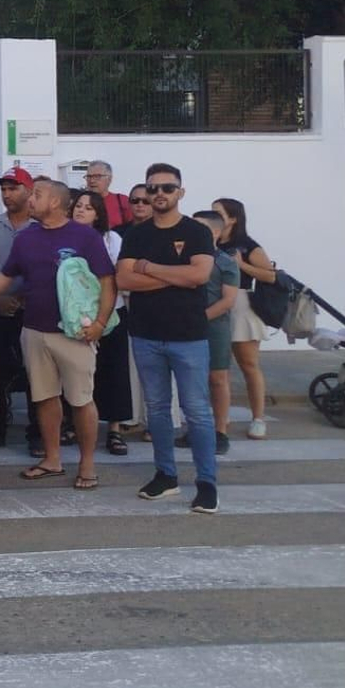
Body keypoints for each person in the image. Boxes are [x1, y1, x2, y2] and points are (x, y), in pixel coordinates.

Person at [0, 178, 114, 490]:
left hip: (75, 333)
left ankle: (87, 464)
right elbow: (4, 278)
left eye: (38, 195)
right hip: (33, 329)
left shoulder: (85, 237)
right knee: (44, 397)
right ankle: (52, 459)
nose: (31, 199)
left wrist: (99, 323)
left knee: (81, 400)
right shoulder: (26, 239)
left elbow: (108, 281)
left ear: (56, 202)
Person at [116, 164, 219, 514]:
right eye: (153, 188)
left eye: (167, 188)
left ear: (180, 192)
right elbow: (125, 281)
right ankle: (166, 475)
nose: (159, 194)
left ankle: (207, 483)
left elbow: (200, 275)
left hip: (188, 336)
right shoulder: (136, 234)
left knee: (197, 412)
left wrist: (150, 268)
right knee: (157, 410)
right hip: (146, 334)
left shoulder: (197, 232)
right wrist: (177, 276)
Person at [0, 166, 35, 451]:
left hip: (33, 309)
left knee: (36, 372)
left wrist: (25, 297)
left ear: (29, 191)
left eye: (13, 188)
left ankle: (36, 435)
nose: (7, 194)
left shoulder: (39, 226)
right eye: (4, 189)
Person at [72, 189, 132, 454]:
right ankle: (77, 426)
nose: (81, 210)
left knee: (113, 371)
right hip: (75, 316)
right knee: (80, 374)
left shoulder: (112, 238)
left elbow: (116, 274)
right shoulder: (65, 237)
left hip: (110, 314)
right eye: (78, 205)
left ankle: (115, 429)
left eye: (88, 207)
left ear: (99, 214)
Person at [212, 197, 274, 439]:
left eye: (220, 213)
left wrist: (242, 265)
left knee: (248, 365)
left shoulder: (248, 246)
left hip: (241, 305)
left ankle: (258, 417)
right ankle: (221, 415)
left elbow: (270, 276)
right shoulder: (211, 241)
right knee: (218, 368)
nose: (215, 216)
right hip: (215, 302)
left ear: (234, 218)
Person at [187, 210, 241, 457]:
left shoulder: (225, 262)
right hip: (185, 327)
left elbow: (228, 300)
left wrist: (199, 319)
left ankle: (220, 431)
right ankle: (195, 428)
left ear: (216, 232)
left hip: (214, 328)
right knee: (190, 380)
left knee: (217, 379)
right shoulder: (186, 259)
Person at [83, 160, 133, 230]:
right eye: (89, 176)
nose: (92, 181)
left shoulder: (122, 201)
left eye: (97, 176)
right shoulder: (80, 202)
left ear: (109, 179)